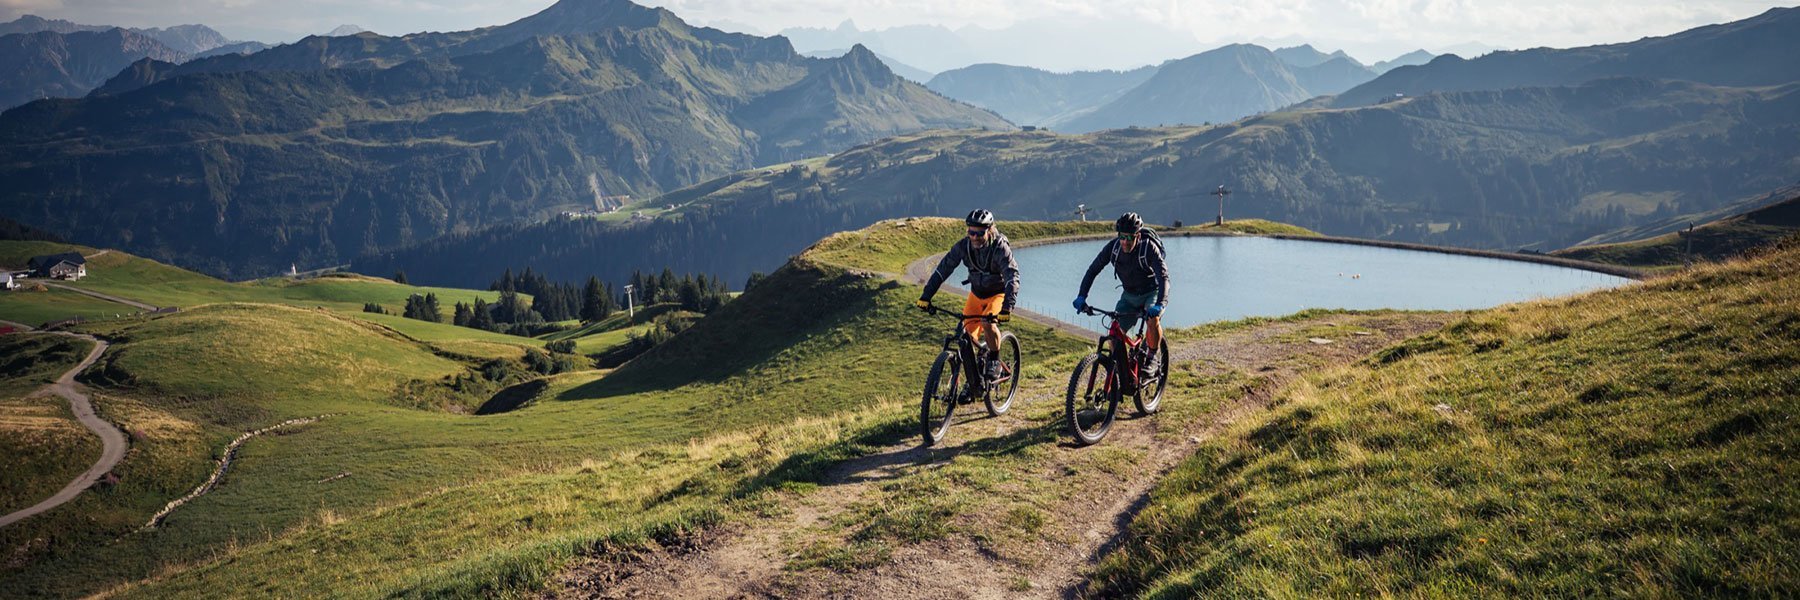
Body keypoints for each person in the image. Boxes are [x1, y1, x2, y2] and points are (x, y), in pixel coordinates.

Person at [917, 209, 1020, 382]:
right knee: (966, 339)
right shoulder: (963, 246)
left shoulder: (1000, 248)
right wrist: (926, 296)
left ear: (989, 230)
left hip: (997, 294)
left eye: (979, 233)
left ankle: (994, 359)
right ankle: (973, 382)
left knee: (988, 323)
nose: (975, 237)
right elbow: (943, 269)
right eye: (971, 232)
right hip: (976, 294)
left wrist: (1007, 307)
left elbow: (1012, 276)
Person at [1073, 212, 1169, 378]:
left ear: (1137, 236)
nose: (1125, 241)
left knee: (1152, 320)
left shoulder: (1148, 248)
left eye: (1129, 238)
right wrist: (1082, 296)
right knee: (1114, 335)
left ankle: (1153, 356)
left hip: (1151, 292)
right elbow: (1093, 270)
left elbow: (1163, 277)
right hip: (1129, 295)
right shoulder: (1114, 248)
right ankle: (1121, 372)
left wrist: (1160, 303)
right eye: (1121, 236)